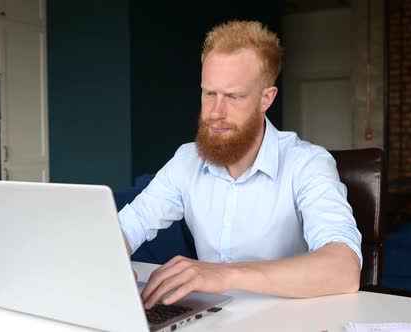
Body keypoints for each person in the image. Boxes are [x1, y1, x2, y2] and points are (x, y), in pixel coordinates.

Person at [118, 20, 362, 310]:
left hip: (286, 319)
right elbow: (128, 226)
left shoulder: (308, 163)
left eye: (233, 96)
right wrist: (111, 260)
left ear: (266, 98)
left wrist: (227, 275)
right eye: (209, 93)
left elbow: (344, 270)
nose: (216, 113)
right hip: (210, 319)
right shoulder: (186, 160)